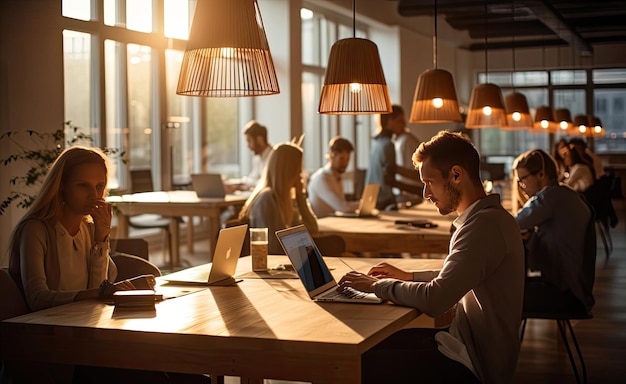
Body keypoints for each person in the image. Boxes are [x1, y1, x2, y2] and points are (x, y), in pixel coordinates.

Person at [7, 146, 210, 384]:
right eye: (82, 185)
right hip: (58, 346)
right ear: (61, 185)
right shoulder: (36, 230)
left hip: (91, 336)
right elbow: (38, 299)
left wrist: (101, 238)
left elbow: (98, 289)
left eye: (99, 186)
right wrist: (96, 293)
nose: (94, 195)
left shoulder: (89, 229)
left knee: (190, 374)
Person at [338, 131, 525, 383]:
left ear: (456, 175)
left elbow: (436, 299)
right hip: (463, 342)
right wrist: (410, 277)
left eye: (429, 182)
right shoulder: (487, 219)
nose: (425, 193)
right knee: (376, 346)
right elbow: (460, 275)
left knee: (358, 362)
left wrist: (376, 286)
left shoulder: (484, 226)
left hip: (473, 362)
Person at [513, 149, 593, 313]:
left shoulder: (550, 197)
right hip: (575, 290)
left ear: (541, 174)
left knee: (505, 296)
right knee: (510, 291)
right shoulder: (564, 194)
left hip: (567, 295)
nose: (521, 187)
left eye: (523, 179)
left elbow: (513, 223)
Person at [239, 142, 318, 255]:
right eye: (299, 170)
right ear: (289, 172)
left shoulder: (285, 200)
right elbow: (273, 249)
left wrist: (300, 195)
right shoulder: (266, 200)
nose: (301, 175)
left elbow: (312, 229)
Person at [365, 105, 422, 210]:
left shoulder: (377, 143)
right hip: (386, 199)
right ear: (390, 121)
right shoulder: (388, 144)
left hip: (375, 197)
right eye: (400, 120)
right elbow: (389, 179)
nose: (404, 124)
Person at [307, 136, 359, 217]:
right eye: (342, 159)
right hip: (321, 226)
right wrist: (362, 204)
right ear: (332, 156)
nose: (345, 163)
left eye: (347, 159)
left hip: (332, 222)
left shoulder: (336, 176)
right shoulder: (321, 178)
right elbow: (343, 207)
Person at [226, 120, 274, 192]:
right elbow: (252, 179)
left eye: (249, 141)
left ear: (259, 140)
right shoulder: (257, 158)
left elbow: (265, 183)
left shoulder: (273, 157)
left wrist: (245, 183)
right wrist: (239, 185)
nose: (248, 146)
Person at [390, 105, 424, 205]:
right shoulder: (397, 141)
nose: (404, 123)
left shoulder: (407, 141)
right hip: (404, 193)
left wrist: (395, 169)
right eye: (399, 121)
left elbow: (418, 174)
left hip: (412, 194)